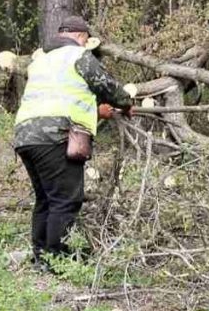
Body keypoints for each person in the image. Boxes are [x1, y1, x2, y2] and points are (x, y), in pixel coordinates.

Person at [13, 15, 135, 271]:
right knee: (65, 200)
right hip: (56, 135)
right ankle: (58, 259)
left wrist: (94, 111)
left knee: (46, 199)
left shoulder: (41, 60)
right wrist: (126, 102)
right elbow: (107, 86)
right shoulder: (77, 55)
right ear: (82, 37)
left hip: (26, 135)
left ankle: (41, 256)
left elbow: (61, 95)